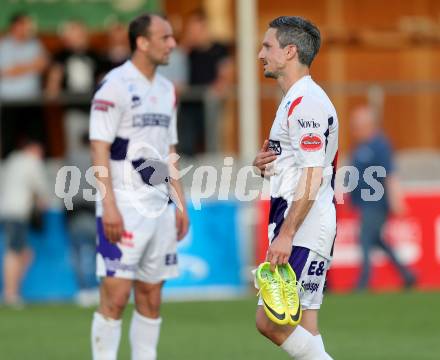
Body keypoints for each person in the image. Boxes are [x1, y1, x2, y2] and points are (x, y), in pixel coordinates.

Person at [89, 14, 189, 360]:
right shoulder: (115, 85)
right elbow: (99, 146)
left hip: (159, 205)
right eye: (165, 37)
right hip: (123, 206)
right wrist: (109, 206)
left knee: (151, 296)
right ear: (142, 42)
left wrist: (180, 201)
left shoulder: (166, 90)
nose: (172, 44)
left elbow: (169, 151)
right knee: (115, 297)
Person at [253, 16, 338, 359]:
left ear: (290, 52)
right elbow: (288, 164)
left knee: (269, 321)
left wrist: (286, 234)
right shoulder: (293, 102)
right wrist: (265, 165)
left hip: (303, 227)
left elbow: (312, 175)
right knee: (304, 326)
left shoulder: (307, 103)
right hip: (303, 224)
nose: (260, 54)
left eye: (267, 46)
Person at [349, 105, 416, 290]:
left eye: (357, 125)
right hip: (363, 204)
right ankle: (408, 275)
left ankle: (363, 282)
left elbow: (390, 174)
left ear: (369, 125)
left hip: (377, 204)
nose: (354, 129)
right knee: (378, 240)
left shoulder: (381, 145)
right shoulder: (359, 146)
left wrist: (396, 200)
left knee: (364, 238)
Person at [0, 140, 49, 306]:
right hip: (18, 213)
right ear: (34, 149)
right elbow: (41, 189)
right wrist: (41, 204)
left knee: (25, 253)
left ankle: (13, 290)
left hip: (7, 211)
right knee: (14, 252)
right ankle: (10, 293)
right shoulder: (31, 161)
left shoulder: (11, 161)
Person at [0, 12, 48, 158]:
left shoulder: (35, 44)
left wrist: (20, 68)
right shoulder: (4, 45)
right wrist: (31, 66)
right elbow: (6, 71)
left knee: (37, 142)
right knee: (9, 143)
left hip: (32, 101)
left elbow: (43, 65)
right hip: (9, 102)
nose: (28, 28)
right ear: (16, 26)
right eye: (25, 24)